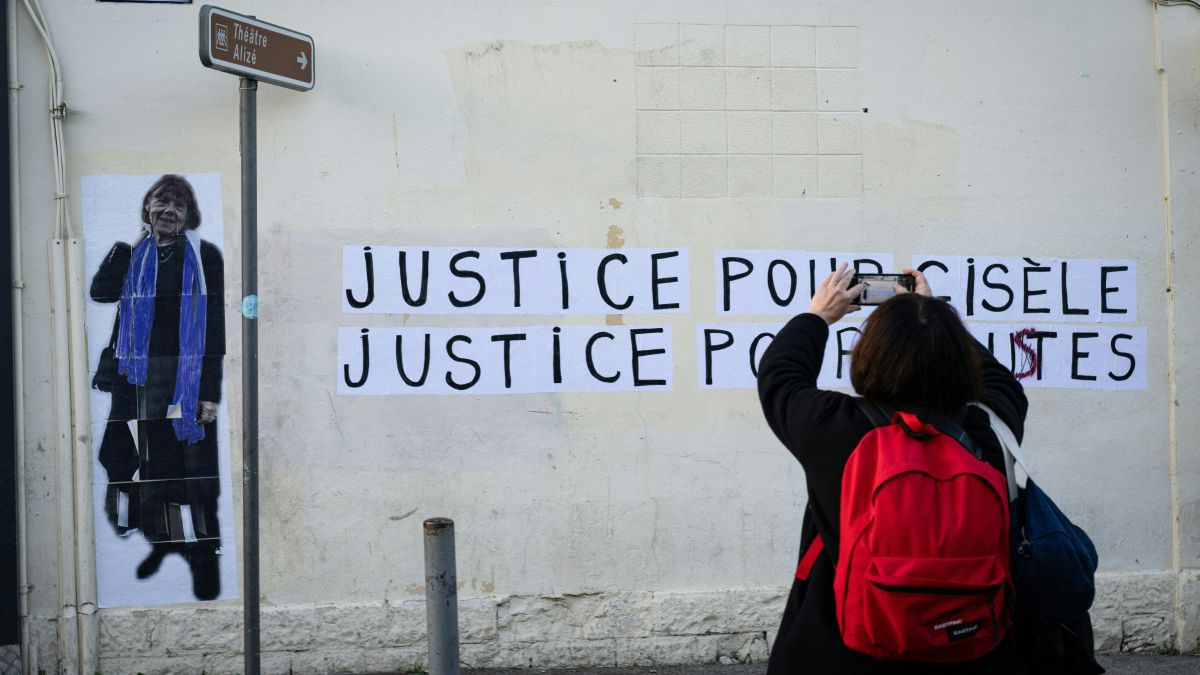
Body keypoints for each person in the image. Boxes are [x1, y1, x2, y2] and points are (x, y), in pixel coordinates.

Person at [756, 263, 1030, 673]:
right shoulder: (991, 427)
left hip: (844, 651)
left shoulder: (832, 427)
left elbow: (780, 375)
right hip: (972, 642)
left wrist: (818, 316)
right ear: (959, 360)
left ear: (867, 356)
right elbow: (1000, 381)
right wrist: (932, 318)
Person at [90, 174, 225, 601]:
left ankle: (197, 552)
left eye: (177, 205)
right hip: (133, 377)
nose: (168, 210)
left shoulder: (203, 256)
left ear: (189, 215)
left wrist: (209, 392)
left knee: (181, 465)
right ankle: (153, 536)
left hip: (181, 379)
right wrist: (127, 249)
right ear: (147, 207)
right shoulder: (133, 254)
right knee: (121, 455)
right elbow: (100, 293)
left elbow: (215, 327)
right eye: (160, 202)